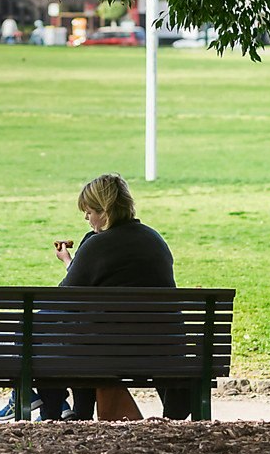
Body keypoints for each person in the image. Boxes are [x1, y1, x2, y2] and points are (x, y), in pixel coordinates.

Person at [36, 173, 196, 421]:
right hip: (161, 351)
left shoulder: (96, 245)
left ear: (105, 211)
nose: (87, 218)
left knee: (45, 338)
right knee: (83, 333)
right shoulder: (154, 240)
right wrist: (72, 262)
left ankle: (56, 412)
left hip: (105, 353)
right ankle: (72, 411)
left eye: (89, 212)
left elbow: (64, 299)